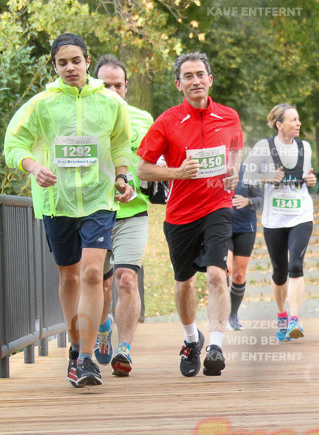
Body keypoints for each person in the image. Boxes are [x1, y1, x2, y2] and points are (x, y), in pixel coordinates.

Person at [3, 33, 132, 387]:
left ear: (88, 61)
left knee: (92, 273)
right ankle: (76, 346)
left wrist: (122, 177)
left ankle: (86, 358)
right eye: (62, 62)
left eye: (76, 60)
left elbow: (121, 144)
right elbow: (13, 144)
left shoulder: (110, 102)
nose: (70, 67)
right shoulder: (41, 104)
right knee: (70, 278)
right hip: (56, 202)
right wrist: (33, 167)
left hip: (98, 200)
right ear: (55, 66)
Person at [137, 52, 243, 377]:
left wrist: (235, 170)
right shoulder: (167, 121)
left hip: (218, 205)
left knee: (216, 274)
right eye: (188, 76)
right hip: (180, 214)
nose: (195, 81)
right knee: (184, 284)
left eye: (200, 74)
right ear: (178, 84)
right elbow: (143, 169)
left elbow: (236, 149)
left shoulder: (229, 116)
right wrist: (177, 173)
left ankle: (216, 346)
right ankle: (191, 340)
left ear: (210, 79)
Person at [91, 55, 154, 377]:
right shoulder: (84, 120)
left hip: (133, 213)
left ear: (126, 87)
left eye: (118, 85)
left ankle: (124, 348)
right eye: (105, 85)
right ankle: (103, 325)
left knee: (126, 279)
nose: (113, 91)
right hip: (95, 213)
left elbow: (152, 163)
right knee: (100, 286)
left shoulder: (143, 119)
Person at [241, 104, 316, 341]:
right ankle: (282, 314)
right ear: (279, 124)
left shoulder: (305, 147)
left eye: (298, 119)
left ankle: (295, 319)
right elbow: (247, 176)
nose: (298, 123)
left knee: (296, 266)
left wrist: (310, 180)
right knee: (279, 272)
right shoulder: (264, 147)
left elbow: (306, 177)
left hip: (301, 215)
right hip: (274, 218)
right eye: (293, 120)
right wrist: (268, 176)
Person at [227, 168, 263, 331]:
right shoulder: (217, 168)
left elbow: (260, 200)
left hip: (245, 228)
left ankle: (232, 315)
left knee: (239, 275)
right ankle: (221, 311)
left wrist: (248, 201)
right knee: (225, 270)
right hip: (222, 227)